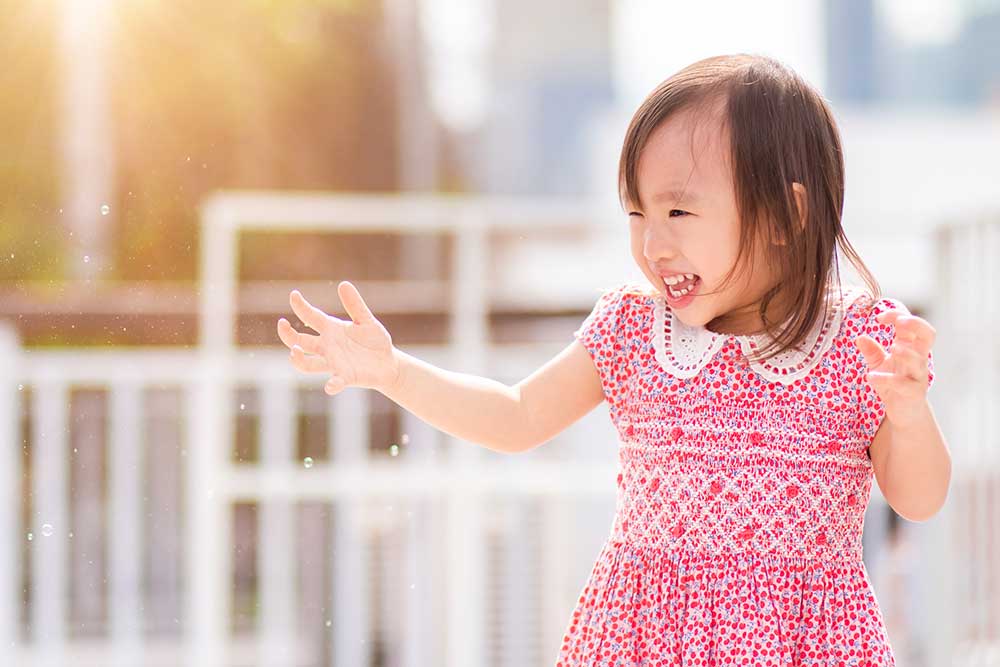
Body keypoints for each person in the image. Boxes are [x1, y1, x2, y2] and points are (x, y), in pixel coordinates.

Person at [276, 53, 952, 666]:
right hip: (644, 637)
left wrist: (909, 411)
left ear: (784, 213)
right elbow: (516, 416)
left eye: (678, 211)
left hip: (805, 641)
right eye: (636, 214)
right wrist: (394, 371)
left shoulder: (857, 342)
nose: (652, 243)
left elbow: (919, 499)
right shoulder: (635, 329)